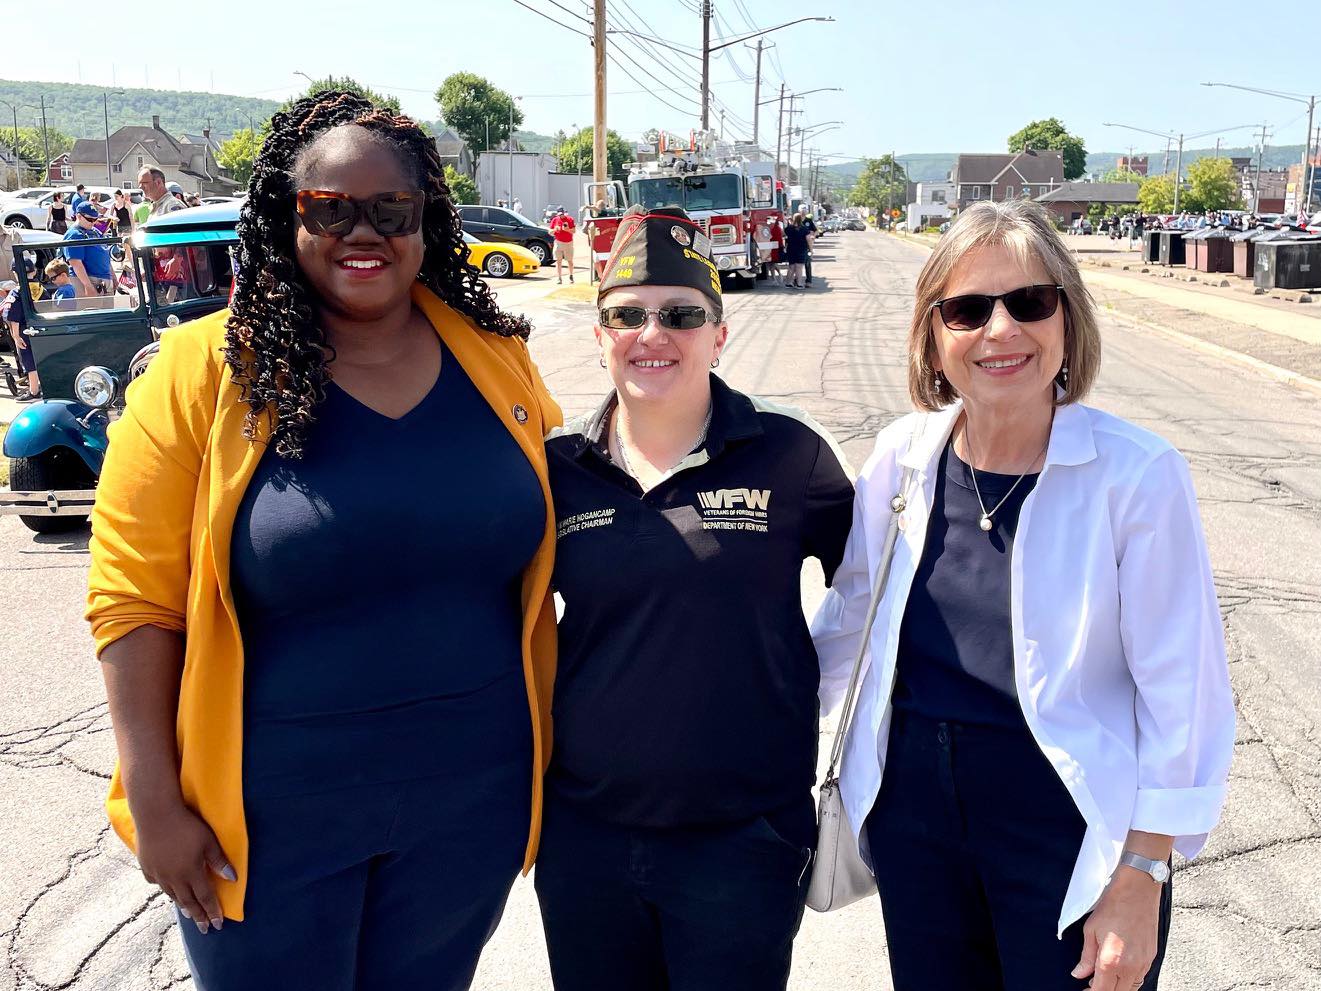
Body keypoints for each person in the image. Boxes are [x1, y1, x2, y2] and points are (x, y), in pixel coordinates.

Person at [86, 90, 562, 990]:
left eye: (391, 209)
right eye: (329, 209)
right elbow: (133, 598)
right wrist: (153, 798)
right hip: (267, 814)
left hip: (471, 798)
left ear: (426, 219)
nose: (362, 233)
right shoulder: (200, 371)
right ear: (286, 216)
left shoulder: (495, 358)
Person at [812, 198, 1235, 991]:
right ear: (933, 337)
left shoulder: (1135, 474)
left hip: (1070, 832)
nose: (1000, 329)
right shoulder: (901, 458)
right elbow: (848, 624)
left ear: (1066, 320)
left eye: (1029, 301)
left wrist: (1142, 873)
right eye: (967, 309)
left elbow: (1183, 692)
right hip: (915, 826)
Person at [537, 205, 855, 990]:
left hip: (744, 837)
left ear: (719, 334)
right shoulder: (553, 468)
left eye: (680, 315)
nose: (652, 334)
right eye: (627, 316)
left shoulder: (790, 453)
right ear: (600, 335)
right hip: (585, 836)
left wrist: (804, 691)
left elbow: (877, 595)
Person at [62, 201, 115, 296]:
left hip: (104, 280)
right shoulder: (74, 234)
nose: (93, 222)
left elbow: (105, 255)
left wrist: (114, 277)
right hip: (88, 281)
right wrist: (88, 286)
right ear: (79, 216)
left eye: (95, 219)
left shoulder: (95, 232)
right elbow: (75, 263)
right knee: (89, 305)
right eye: (90, 219)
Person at [783, 213, 812, 289]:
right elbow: (808, 240)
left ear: (793, 219)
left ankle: (788, 283)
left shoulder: (788, 228)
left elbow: (784, 236)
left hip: (791, 249)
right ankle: (799, 284)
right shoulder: (804, 229)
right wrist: (811, 249)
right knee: (799, 267)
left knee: (791, 267)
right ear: (801, 219)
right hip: (801, 249)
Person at [548, 207, 576, 284]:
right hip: (558, 242)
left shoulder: (570, 219)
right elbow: (549, 232)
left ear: (564, 213)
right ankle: (559, 278)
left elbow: (574, 231)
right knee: (558, 261)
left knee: (569, 260)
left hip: (568, 243)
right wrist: (555, 230)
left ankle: (571, 275)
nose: (561, 216)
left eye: (562, 214)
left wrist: (567, 229)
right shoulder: (555, 220)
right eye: (559, 214)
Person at [801, 213, 818, 285]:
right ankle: (796, 280)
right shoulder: (795, 222)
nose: (803, 212)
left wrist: (813, 236)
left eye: (804, 210)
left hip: (806, 245)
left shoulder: (808, 221)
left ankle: (808, 280)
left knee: (807, 263)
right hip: (797, 246)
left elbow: (815, 230)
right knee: (796, 265)